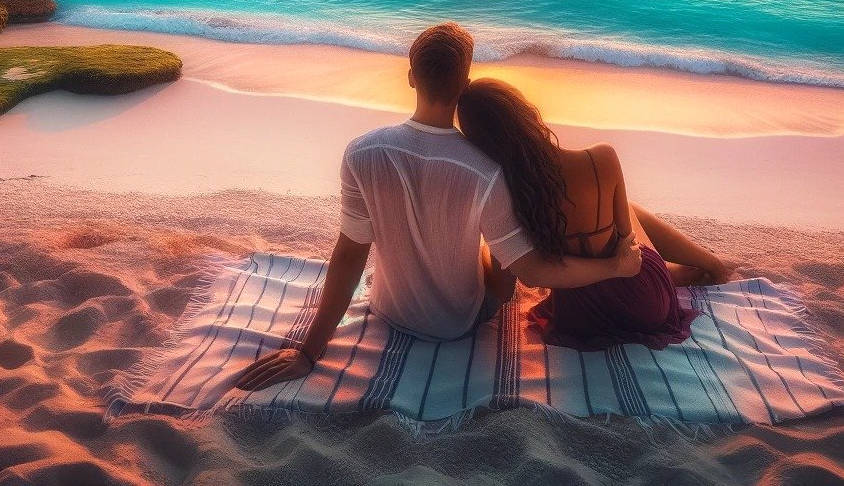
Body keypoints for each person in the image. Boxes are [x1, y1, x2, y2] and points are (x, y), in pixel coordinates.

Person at [235, 23, 642, 392]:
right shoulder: (485, 170)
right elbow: (532, 271)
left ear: (411, 77)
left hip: (388, 308)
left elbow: (349, 255)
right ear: (465, 84)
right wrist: (616, 267)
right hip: (458, 324)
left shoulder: (362, 153)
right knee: (500, 250)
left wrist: (308, 352)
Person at [456, 78, 732, 351]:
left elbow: (504, 289)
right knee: (622, 210)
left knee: (610, 218)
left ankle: (683, 270)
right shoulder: (601, 157)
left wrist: (486, 247)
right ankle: (707, 265)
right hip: (648, 303)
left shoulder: (508, 195)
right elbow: (629, 246)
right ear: (528, 113)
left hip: (581, 317)